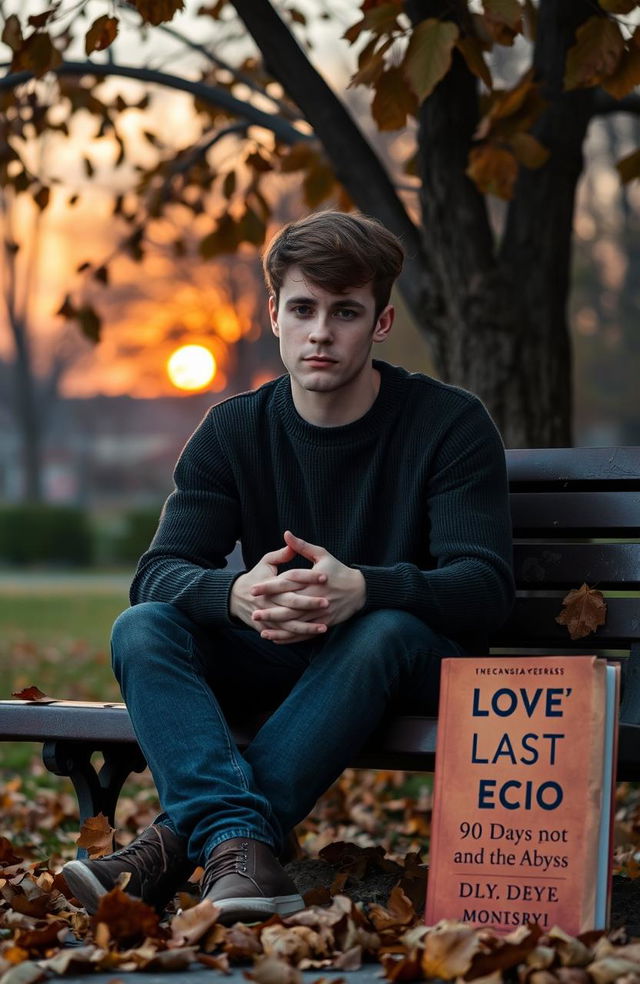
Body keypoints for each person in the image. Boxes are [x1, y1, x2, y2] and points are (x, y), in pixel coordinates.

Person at [62, 210, 515, 923]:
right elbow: (159, 573)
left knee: (385, 628)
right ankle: (241, 847)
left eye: (346, 312)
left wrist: (365, 587)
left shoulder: (448, 423)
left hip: (403, 664)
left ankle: (179, 844)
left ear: (382, 321)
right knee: (143, 626)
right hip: (279, 653)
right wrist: (236, 593)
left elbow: (486, 589)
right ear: (274, 313)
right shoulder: (234, 427)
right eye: (302, 309)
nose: (321, 332)